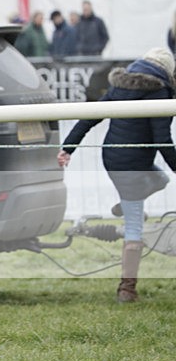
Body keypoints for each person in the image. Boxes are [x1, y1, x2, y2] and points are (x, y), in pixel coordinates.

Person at [57, 48, 176, 302]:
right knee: (135, 225)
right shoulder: (159, 93)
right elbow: (163, 141)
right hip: (134, 166)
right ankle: (127, 288)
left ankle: (124, 204)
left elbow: (89, 118)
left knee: (161, 179)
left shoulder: (121, 87)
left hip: (111, 159)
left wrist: (68, 148)